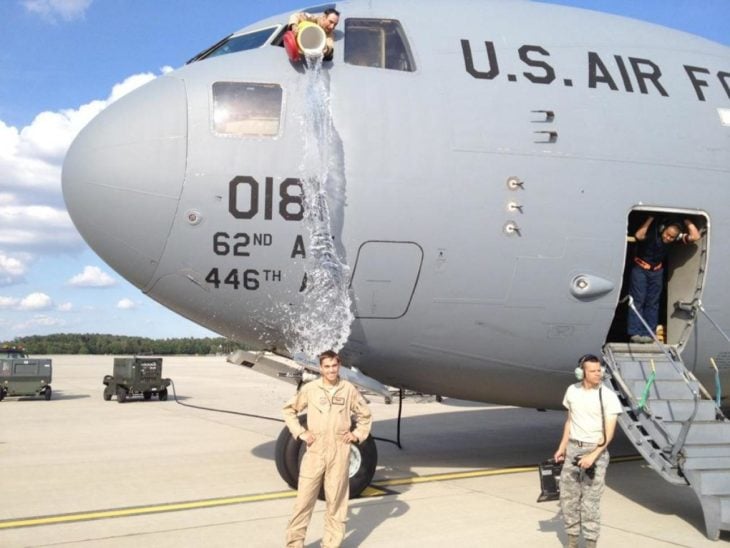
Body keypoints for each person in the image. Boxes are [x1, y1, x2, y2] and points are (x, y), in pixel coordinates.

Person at [283, 350, 372, 548]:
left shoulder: (348, 389)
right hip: (315, 452)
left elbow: (365, 415)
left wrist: (357, 434)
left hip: (340, 452)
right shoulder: (311, 389)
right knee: (303, 502)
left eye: (334, 366)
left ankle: (331, 544)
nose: (331, 370)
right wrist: (300, 432)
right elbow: (289, 410)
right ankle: (294, 544)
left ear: (338, 365)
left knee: (337, 503)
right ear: (321, 368)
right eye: (327, 367)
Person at [554, 354, 623, 548]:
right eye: (592, 371)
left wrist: (592, 456)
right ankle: (573, 540)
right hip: (574, 447)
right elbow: (570, 421)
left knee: (590, 502)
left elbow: (609, 434)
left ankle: (591, 542)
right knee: (568, 498)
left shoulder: (607, 396)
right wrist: (562, 447)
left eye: (599, 370)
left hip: (596, 451)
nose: (597, 374)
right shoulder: (572, 391)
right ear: (581, 373)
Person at [627, 215, 700, 343]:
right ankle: (635, 332)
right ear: (662, 229)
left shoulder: (675, 240)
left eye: (672, 237)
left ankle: (649, 333)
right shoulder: (652, 234)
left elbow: (695, 236)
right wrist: (650, 218)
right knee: (638, 300)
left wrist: (686, 220)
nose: (668, 238)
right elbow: (639, 235)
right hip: (640, 269)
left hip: (656, 272)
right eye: (667, 234)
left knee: (653, 303)